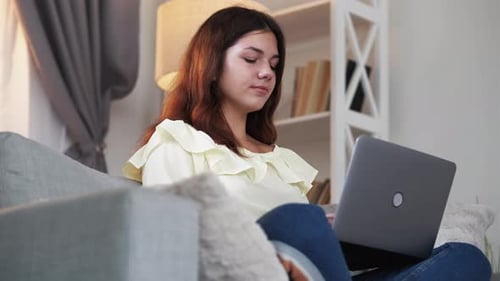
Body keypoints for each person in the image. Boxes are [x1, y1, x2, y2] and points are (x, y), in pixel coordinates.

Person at [123, 6, 492, 281]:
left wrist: (335, 230)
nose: (267, 72)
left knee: (466, 258)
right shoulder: (175, 140)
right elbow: (168, 233)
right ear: (212, 65)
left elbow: (316, 249)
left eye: (273, 63)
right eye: (251, 59)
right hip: (248, 270)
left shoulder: (282, 160)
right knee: (298, 218)